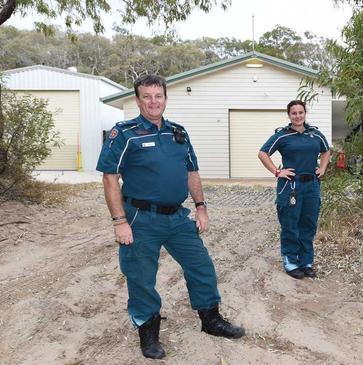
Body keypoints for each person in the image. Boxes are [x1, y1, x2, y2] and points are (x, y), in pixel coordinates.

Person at [96, 74, 244, 360]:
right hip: (140, 218)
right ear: (138, 100)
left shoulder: (178, 132)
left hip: (177, 217)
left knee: (201, 265)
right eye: (147, 97)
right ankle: (148, 332)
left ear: (165, 98)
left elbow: (191, 171)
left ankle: (210, 319)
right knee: (141, 278)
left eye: (158, 96)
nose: (154, 102)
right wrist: (119, 221)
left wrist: (200, 206)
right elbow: (110, 178)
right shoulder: (124, 134)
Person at [258, 100, 331, 279]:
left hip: (312, 186)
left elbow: (326, 151)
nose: (298, 116)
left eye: (300, 112)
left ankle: (306, 262)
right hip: (291, 186)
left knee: (308, 225)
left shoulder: (315, 134)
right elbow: (262, 153)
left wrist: (322, 168)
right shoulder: (282, 136)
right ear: (289, 115)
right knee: (291, 225)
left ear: (305, 113)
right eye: (294, 113)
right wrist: (277, 171)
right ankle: (291, 262)